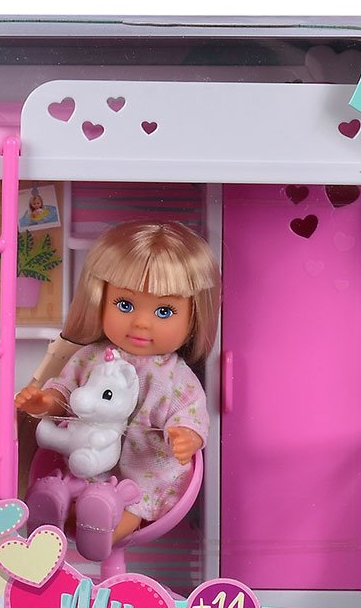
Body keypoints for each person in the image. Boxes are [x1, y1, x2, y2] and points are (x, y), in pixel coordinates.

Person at [15, 221, 220, 560]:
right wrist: (44, 401)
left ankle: (103, 533)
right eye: (125, 305)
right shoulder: (90, 357)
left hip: (146, 470)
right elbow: (66, 392)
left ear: (193, 316)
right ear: (102, 300)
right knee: (75, 482)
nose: (141, 322)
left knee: (134, 503)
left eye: (164, 311)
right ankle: (55, 507)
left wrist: (186, 436)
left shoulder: (175, 377)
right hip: (88, 461)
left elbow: (192, 414)